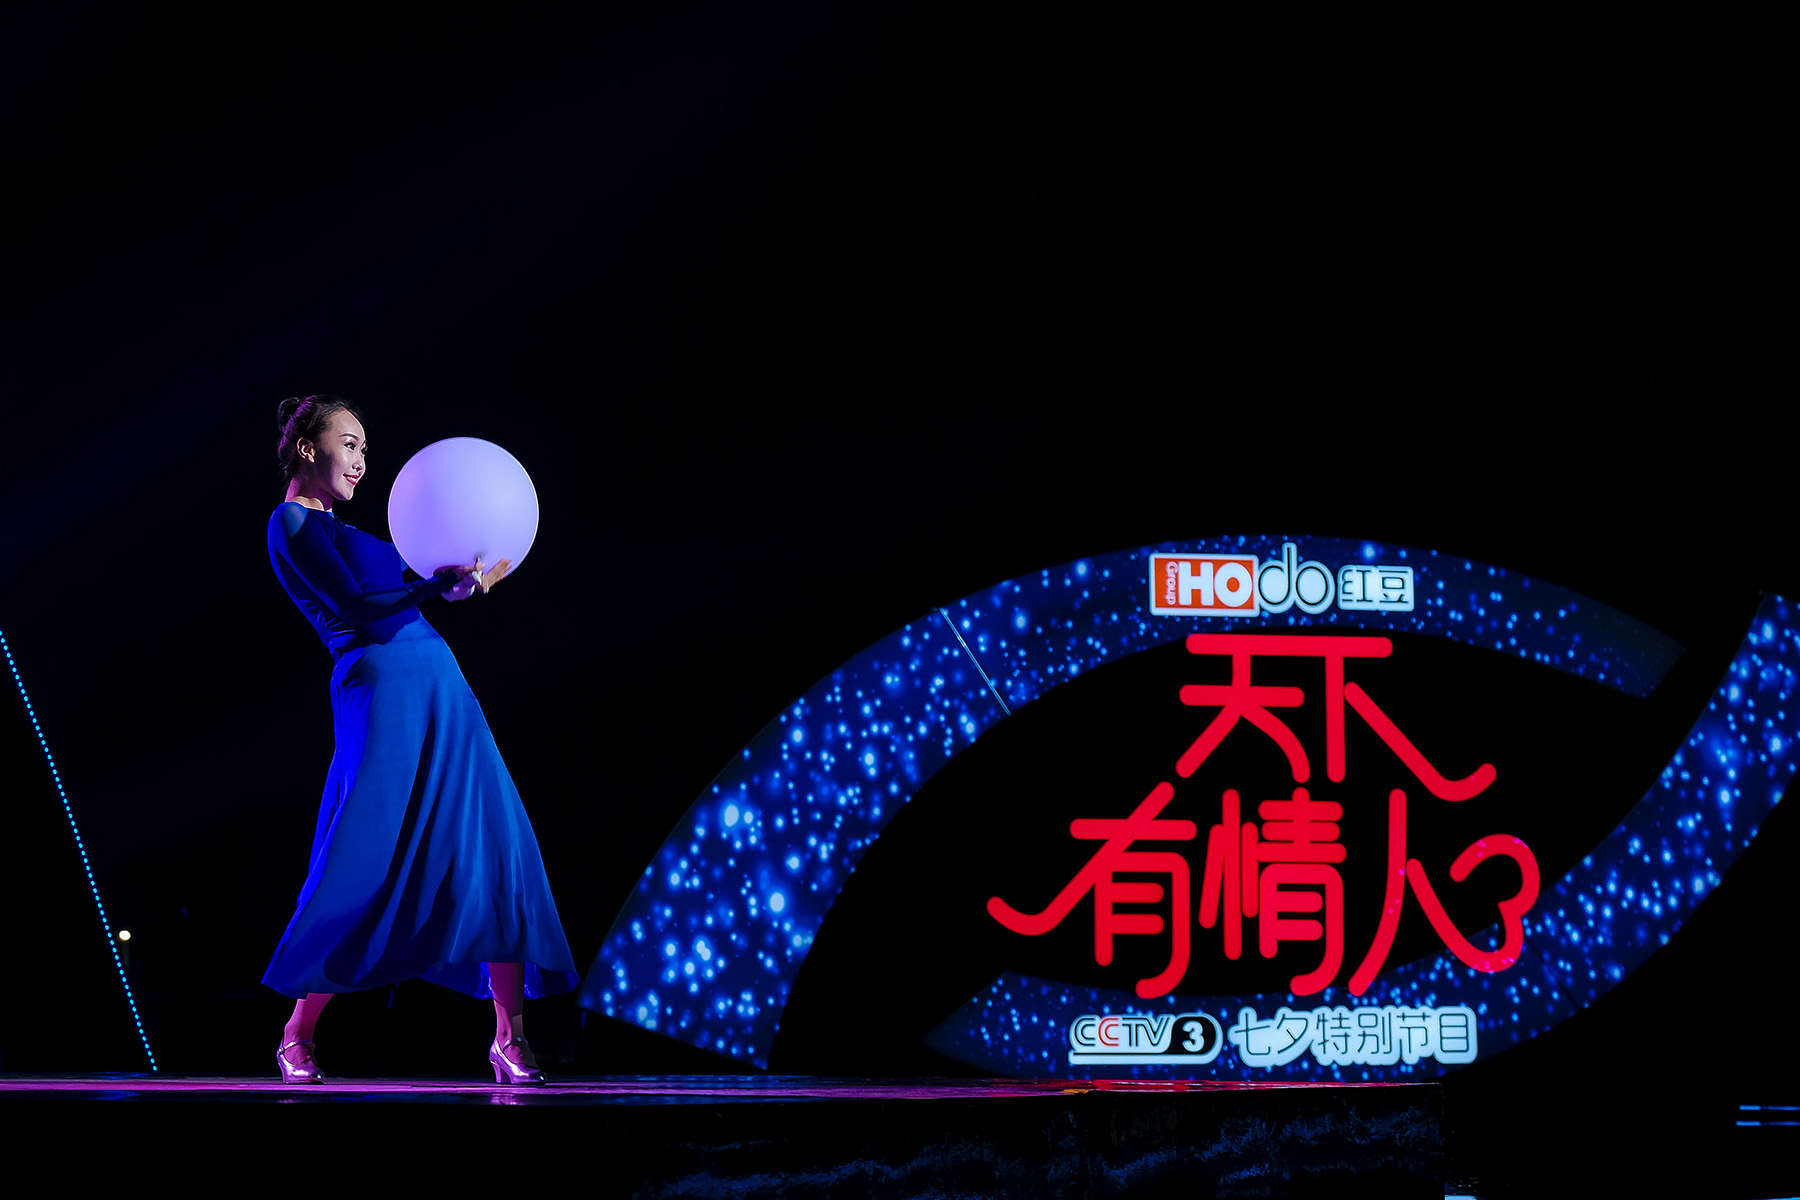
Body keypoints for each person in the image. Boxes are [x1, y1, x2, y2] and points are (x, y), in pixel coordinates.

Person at [263, 394, 578, 1085]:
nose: (361, 460)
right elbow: (357, 608)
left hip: (443, 687)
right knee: (366, 855)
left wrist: (465, 581)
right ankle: (297, 1033)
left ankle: (510, 1036)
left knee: (495, 846)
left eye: (365, 449)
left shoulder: (351, 529)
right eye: (350, 444)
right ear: (308, 448)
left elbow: (414, 587)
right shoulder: (291, 523)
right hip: (381, 694)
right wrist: (434, 589)